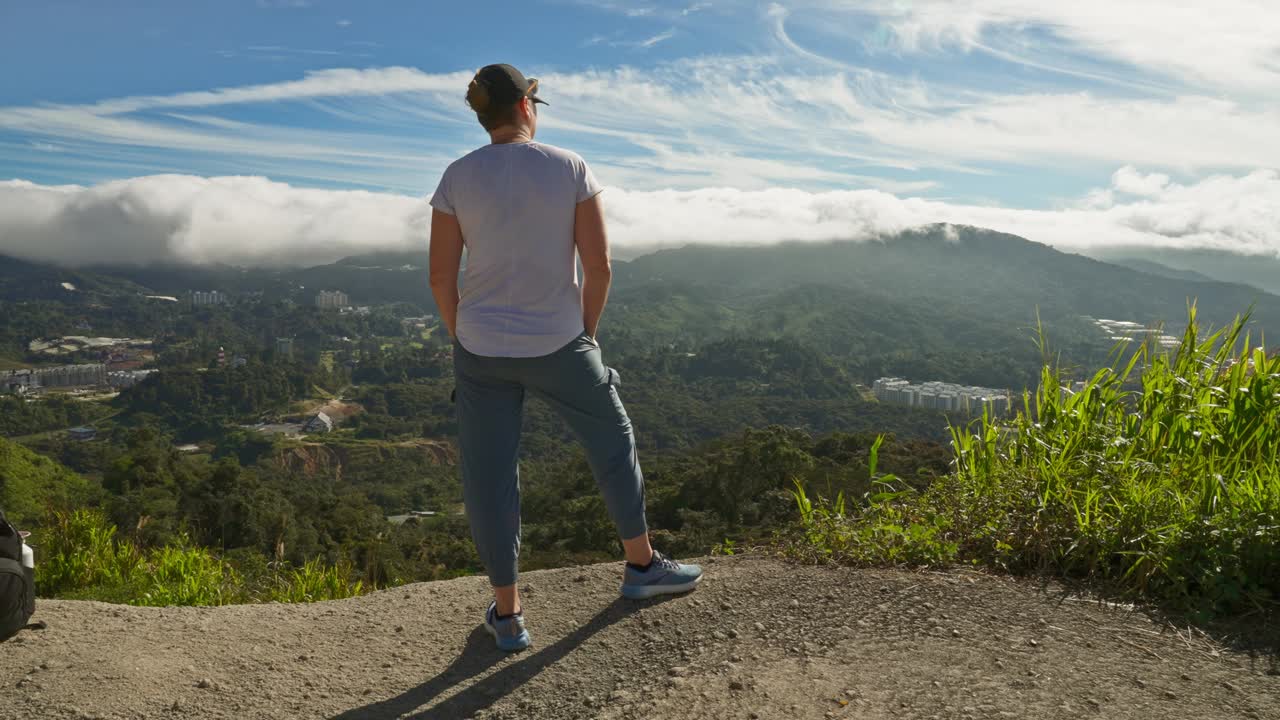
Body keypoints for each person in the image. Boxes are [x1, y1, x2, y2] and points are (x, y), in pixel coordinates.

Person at [428, 64, 703, 652]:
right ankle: (641, 566)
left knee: (490, 476)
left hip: (479, 349)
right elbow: (599, 267)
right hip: (559, 340)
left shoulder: (457, 176)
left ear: (484, 113)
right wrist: (587, 337)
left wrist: (463, 337)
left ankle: (508, 614)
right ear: (528, 105)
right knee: (611, 440)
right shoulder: (570, 167)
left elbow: (439, 275)